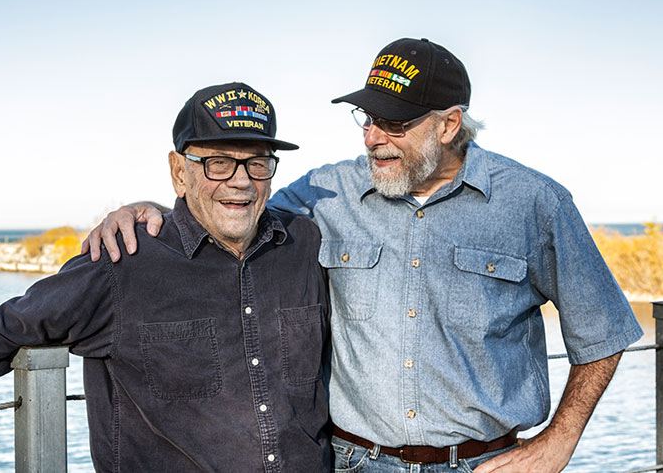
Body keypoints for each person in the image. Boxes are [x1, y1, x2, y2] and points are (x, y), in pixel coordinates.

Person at [83, 38, 643, 472]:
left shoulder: (535, 203)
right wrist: (149, 204)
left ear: (449, 124)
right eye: (367, 118)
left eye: (394, 123)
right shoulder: (325, 194)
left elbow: (605, 330)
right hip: (354, 463)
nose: (373, 137)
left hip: (486, 463)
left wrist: (559, 442)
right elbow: (231, 201)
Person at [0, 82, 332, 473]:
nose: (240, 181)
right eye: (218, 162)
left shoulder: (307, 246)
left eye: (257, 163)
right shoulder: (123, 263)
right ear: (179, 172)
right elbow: (0, 330)